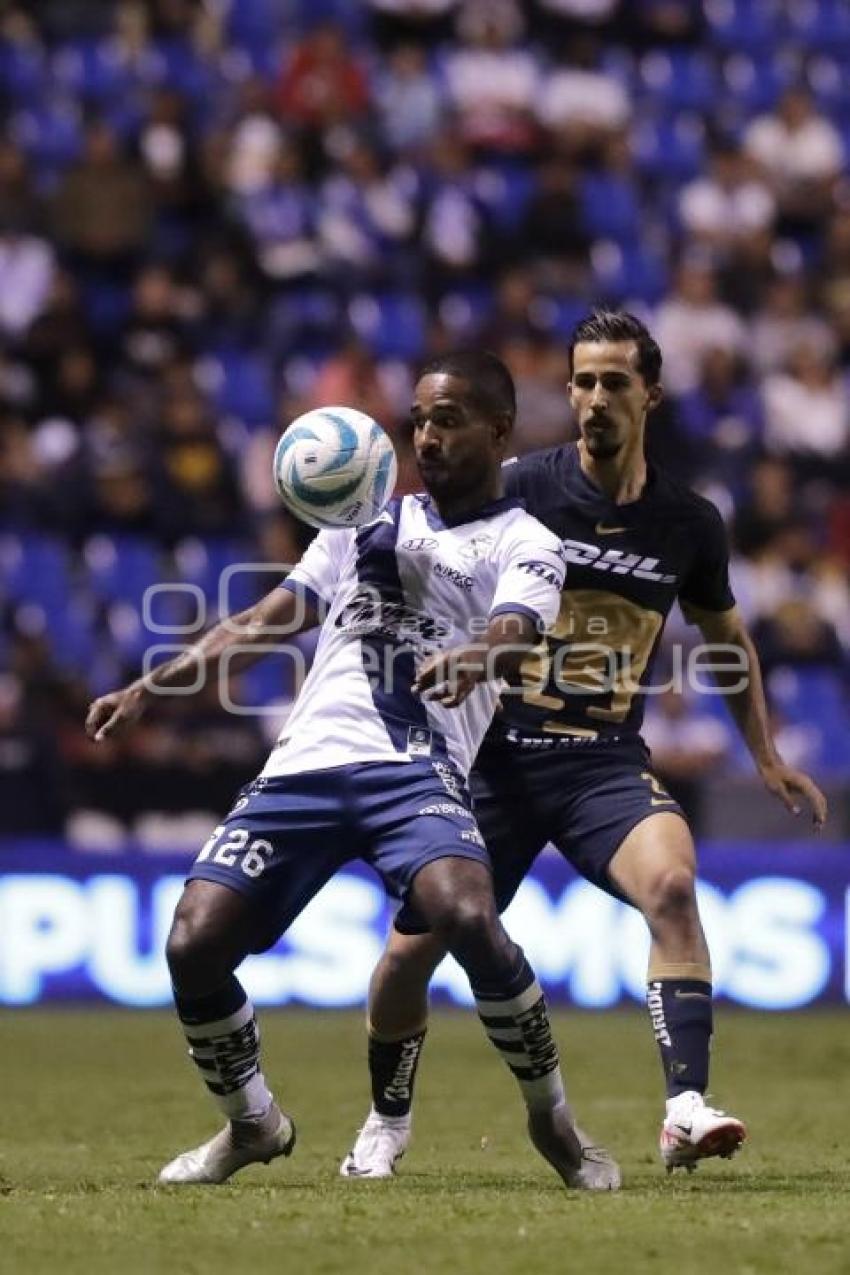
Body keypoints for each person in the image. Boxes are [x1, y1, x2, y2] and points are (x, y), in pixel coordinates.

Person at [85, 350, 616, 1191]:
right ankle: (252, 1122)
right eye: (419, 420)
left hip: (416, 766)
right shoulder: (359, 526)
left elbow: (517, 626)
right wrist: (151, 688)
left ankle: (552, 1117)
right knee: (193, 942)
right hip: (304, 766)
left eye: (449, 419)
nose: (428, 436)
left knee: (467, 913)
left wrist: (477, 653)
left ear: (499, 430)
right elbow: (264, 621)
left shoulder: (527, 541)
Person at [341, 312, 828, 1180]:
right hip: (494, 758)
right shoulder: (519, 486)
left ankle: (684, 1108)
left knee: (674, 884)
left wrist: (764, 753)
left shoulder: (689, 523)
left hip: (601, 761)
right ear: (565, 393)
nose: (594, 398)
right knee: (407, 957)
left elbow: (726, 640)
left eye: (613, 382)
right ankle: (386, 1119)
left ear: (651, 395)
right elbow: (417, 562)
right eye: (582, 382)